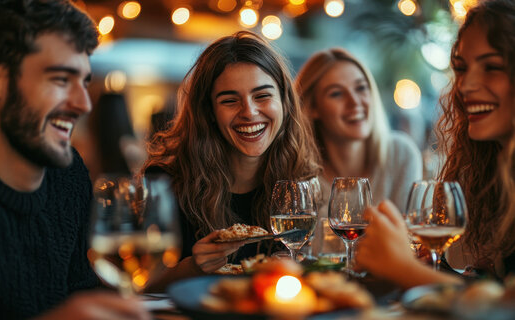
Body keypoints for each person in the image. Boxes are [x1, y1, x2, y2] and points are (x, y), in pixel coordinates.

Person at [0, 0, 151, 320]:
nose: (84, 103)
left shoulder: (69, 178)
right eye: (60, 79)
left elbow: (83, 294)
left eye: (84, 81)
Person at [356, 0, 515, 287]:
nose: (465, 86)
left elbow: (503, 317)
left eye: (492, 66)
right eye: (462, 68)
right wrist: (440, 271)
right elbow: (496, 293)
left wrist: (404, 269)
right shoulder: (496, 173)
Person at [143, 31, 321, 285]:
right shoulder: (165, 181)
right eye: (229, 100)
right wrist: (193, 267)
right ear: (210, 112)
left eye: (262, 96)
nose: (249, 112)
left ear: (284, 102)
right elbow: (139, 282)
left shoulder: (300, 179)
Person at [295, 48, 423, 214]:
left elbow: (409, 236)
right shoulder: (299, 174)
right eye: (337, 93)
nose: (355, 102)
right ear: (312, 107)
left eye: (361, 88)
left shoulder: (401, 154)